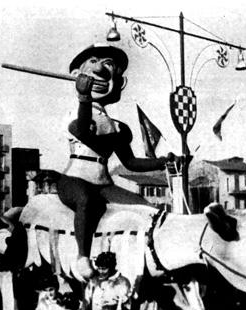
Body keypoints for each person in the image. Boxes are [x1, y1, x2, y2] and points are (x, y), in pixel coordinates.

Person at [58, 43, 177, 279]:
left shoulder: (117, 126)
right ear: (76, 76)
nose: (102, 71)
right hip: (75, 180)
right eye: (94, 63)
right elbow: (83, 131)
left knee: (143, 206)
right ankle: (82, 256)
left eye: (110, 66)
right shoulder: (76, 113)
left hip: (104, 184)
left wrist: (163, 162)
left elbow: (131, 162)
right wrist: (83, 98)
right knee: (86, 200)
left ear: (119, 82)